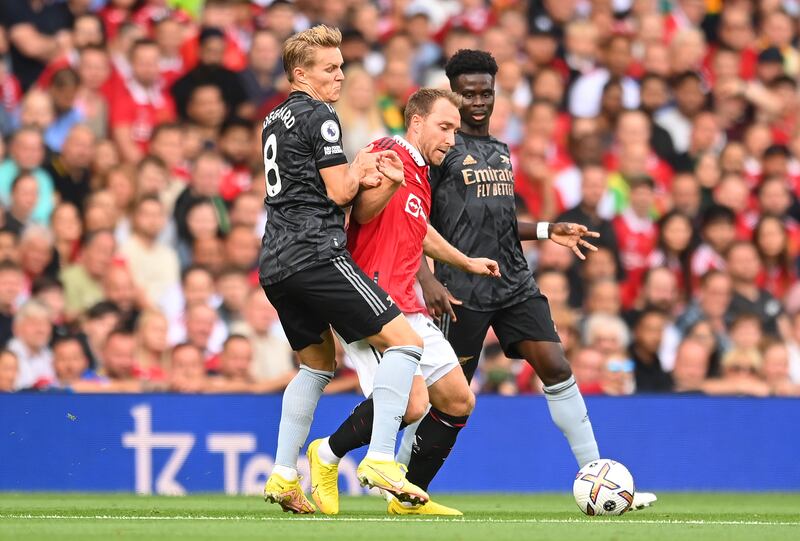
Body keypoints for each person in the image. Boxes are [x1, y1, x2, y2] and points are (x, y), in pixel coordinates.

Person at [414, 49, 656, 509]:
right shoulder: (440, 153)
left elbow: (500, 222)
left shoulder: (501, 151)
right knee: (450, 398)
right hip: (461, 288)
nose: (478, 101)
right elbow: (414, 221)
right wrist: (427, 279)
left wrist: (548, 229)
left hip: (513, 282)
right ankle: (403, 480)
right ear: (453, 95)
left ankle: (598, 476)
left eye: (486, 91)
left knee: (557, 367)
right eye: (468, 94)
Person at [306, 88, 499, 516]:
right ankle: (326, 454)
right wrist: (390, 182)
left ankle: (408, 498)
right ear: (416, 123)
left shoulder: (420, 173)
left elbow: (418, 229)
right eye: (444, 127)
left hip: (406, 301)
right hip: (369, 296)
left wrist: (465, 261)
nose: (452, 138)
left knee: (456, 399)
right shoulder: (384, 150)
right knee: (412, 404)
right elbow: (361, 213)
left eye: (456, 130)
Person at [260, 25, 429, 513]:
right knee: (407, 343)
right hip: (316, 254)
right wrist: (362, 167)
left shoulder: (273, 119)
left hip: (275, 261)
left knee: (316, 365)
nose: (339, 76)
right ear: (300, 74)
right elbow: (338, 192)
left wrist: (357, 175)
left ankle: (282, 473)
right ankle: (379, 457)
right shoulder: (321, 114)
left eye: (340, 67)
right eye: (329, 69)